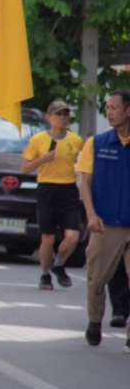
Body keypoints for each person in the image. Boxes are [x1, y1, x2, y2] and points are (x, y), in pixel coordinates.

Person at [77, 91, 130, 348]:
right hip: (105, 223)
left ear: (128, 111)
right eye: (107, 108)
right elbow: (85, 183)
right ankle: (95, 320)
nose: (109, 112)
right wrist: (91, 214)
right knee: (97, 278)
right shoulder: (95, 144)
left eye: (114, 108)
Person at [22, 101, 84, 290]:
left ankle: (58, 264)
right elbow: (24, 168)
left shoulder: (76, 140)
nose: (62, 118)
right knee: (47, 238)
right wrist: (41, 160)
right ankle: (44, 274)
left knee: (73, 236)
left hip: (69, 190)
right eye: (58, 114)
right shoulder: (38, 139)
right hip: (47, 189)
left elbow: (82, 165)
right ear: (49, 117)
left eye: (65, 114)